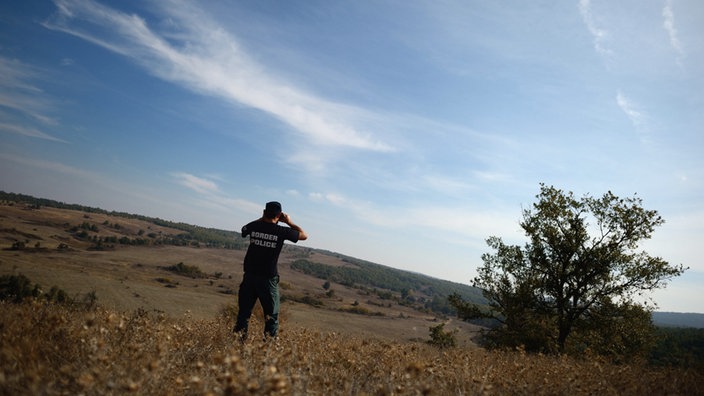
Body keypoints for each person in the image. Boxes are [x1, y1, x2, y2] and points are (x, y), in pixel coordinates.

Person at [234, 201, 307, 341]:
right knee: (271, 316)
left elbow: (244, 230)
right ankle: (268, 350)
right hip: (268, 280)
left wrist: (261, 219)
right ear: (279, 215)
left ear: (264, 212)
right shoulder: (281, 231)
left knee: (243, 314)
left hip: (249, 277)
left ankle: (238, 346)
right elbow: (304, 235)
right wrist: (290, 222)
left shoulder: (255, 226)